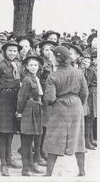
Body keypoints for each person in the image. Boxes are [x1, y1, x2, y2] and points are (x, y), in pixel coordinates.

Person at [43, 46, 88, 176]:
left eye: (52, 56)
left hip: (59, 107)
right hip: (76, 106)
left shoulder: (53, 76)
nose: (51, 58)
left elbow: (50, 98)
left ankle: (48, 173)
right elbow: (85, 93)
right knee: (78, 138)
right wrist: (78, 104)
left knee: (55, 138)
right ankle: (82, 171)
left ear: (58, 58)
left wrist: (54, 103)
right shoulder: (78, 73)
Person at [0, 40, 23, 176]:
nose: (12, 53)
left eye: (15, 51)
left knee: (10, 131)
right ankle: (3, 163)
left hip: (15, 99)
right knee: (3, 132)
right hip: (4, 100)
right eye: (10, 50)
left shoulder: (17, 65)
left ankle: (9, 159)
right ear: (5, 51)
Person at [16, 56, 45, 176]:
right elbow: (21, 97)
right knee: (26, 141)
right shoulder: (27, 80)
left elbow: (40, 94)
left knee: (32, 139)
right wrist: (19, 111)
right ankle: (25, 169)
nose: (34, 67)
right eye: (31, 65)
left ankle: (31, 165)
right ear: (27, 67)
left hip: (36, 109)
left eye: (36, 65)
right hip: (28, 110)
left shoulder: (35, 78)